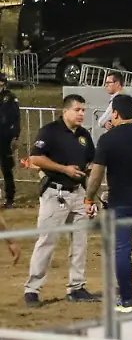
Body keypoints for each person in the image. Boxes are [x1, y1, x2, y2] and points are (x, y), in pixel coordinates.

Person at [84, 94, 132, 312]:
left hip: (121, 203)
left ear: (116, 113)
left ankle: (127, 301)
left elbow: (97, 174)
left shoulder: (108, 139)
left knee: (122, 250)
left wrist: (89, 198)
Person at [23, 95, 100, 306]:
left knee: (80, 243)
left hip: (78, 194)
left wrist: (90, 195)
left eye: (83, 110)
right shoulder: (50, 131)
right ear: (65, 111)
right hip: (55, 194)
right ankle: (32, 290)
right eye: (77, 110)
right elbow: (35, 158)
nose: (82, 114)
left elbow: (91, 162)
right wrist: (63, 169)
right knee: (47, 241)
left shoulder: (84, 135)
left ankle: (77, 287)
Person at [0, 73, 20, 208]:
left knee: (7, 169)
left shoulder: (10, 98)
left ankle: (9, 198)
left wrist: (15, 137)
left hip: (4, 138)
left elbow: (16, 118)